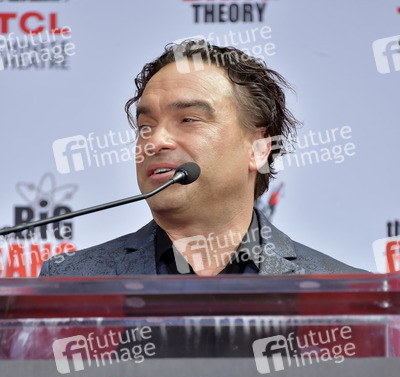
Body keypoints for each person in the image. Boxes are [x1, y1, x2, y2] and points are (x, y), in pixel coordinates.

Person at [40, 40, 365, 277]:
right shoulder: (70, 280)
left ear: (258, 149)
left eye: (188, 120)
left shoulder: (342, 290)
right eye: (145, 126)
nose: (156, 141)